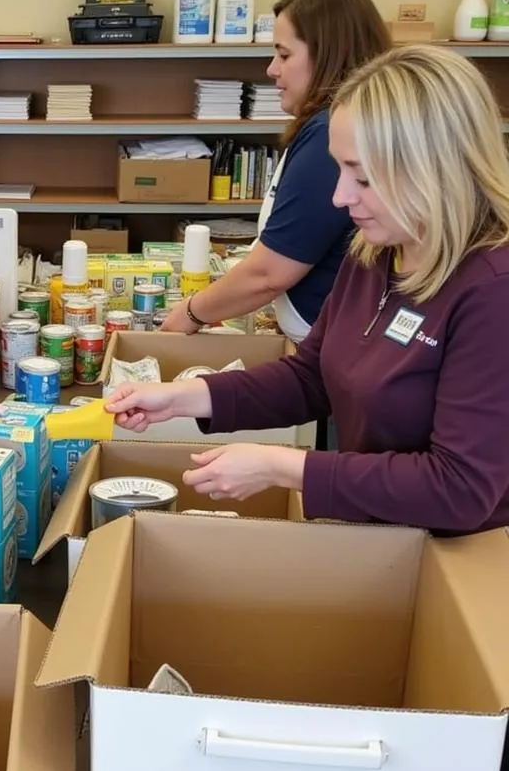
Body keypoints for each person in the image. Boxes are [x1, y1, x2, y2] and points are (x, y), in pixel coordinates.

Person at [106, 45, 509, 536]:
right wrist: (183, 398)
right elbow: (313, 377)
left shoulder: (492, 291)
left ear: (436, 170)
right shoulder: (378, 249)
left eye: (363, 177)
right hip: (386, 537)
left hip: (462, 562)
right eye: (340, 169)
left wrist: (282, 467)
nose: (341, 197)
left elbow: (460, 489)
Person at [160, 0, 390, 342]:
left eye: (284, 55)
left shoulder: (329, 136)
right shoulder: (328, 126)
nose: (271, 69)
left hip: (324, 344)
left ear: (327, 53)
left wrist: (191, 312)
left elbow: (271, 273)